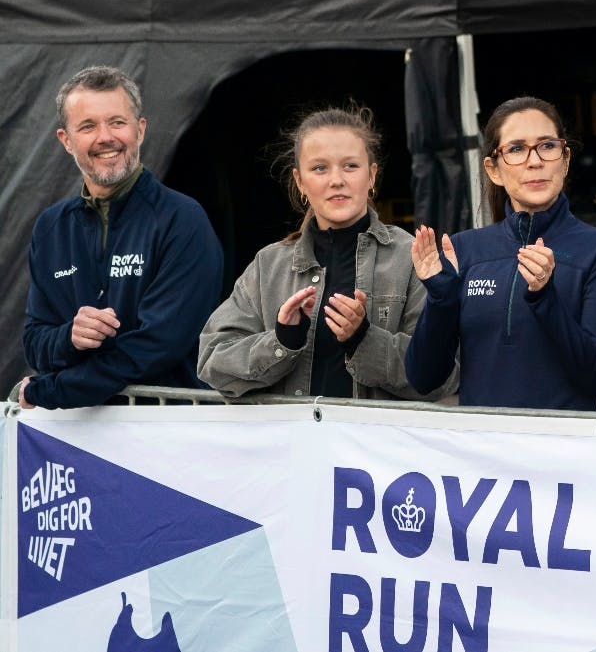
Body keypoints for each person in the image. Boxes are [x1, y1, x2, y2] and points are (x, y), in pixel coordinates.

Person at [198, 106, 455, 400]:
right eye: (320, 168)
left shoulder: (410, 259)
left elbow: (445, 376)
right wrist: (282, 341)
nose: (336, 180)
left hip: (374, 445)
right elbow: (212, 362)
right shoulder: (268, 265)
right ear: (300, 182)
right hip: (292, 445)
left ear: (372, 175)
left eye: (350, 166)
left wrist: (364, 340)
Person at [404, 96, 596, 410]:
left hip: (566, 452)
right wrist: (441, 299)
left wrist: (544, 297)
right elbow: (423, 378)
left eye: (547, 146)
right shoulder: (464, 250)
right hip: (482, 451)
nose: (534, 161)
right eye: (515, 149)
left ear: (565, 160)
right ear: (493, 169)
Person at [19, 65, 222, 410]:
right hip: (75, 442)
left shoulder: (182, 220)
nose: (105, 137)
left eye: (117, 122)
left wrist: (51, 390)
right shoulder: (51, 228)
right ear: (66, 141)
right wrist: (69, 337)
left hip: (169, 436)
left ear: (139, 130)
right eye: (87, 126)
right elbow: (35, 340)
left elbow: (158, 346)